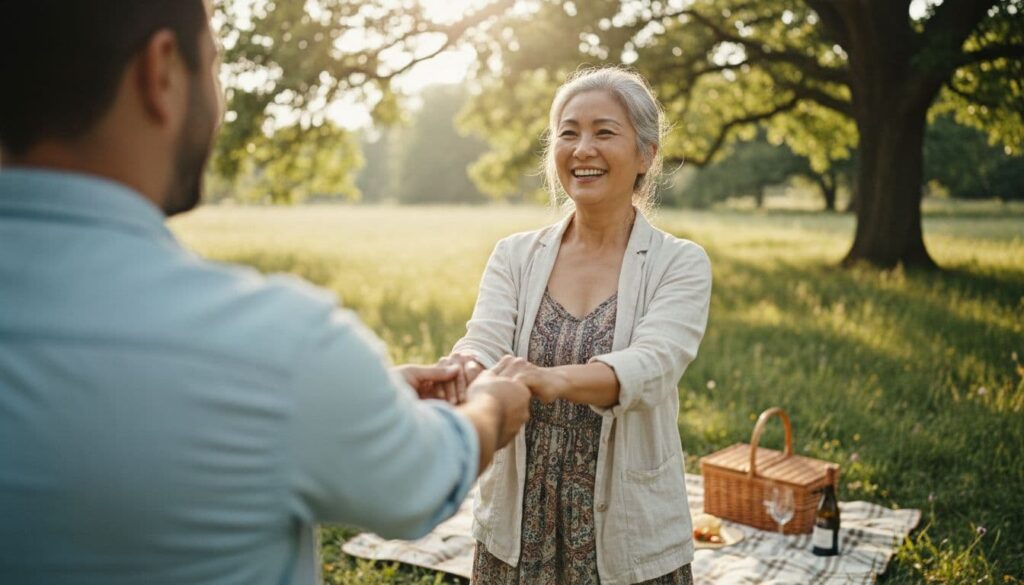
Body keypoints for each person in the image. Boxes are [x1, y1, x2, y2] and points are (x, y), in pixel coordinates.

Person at [0, 2, 532, 584]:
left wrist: (358, 400)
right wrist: (492, 407)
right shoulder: (281, 346)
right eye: (217, 65)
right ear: (162, 72)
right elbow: (420, 482)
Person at [435, 67, 713, 584]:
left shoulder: (679, 262)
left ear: (646, 154)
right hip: (518, 526)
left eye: (604, 132)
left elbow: (653, 366)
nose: (583, 148)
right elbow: (483, 341)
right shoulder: (515, 255)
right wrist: (460, 368)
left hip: (629, 533)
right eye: (568, 132)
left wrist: (553, 378)